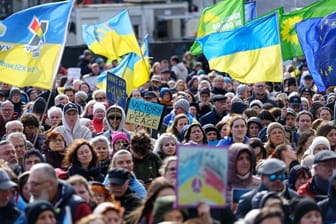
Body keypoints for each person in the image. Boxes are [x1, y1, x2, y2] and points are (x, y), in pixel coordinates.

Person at [27, 163, 92, 223]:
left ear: (51, 184)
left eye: (35, 184)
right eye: (29, 184)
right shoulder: (31, 206)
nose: (30, 189)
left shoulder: (78, 207)